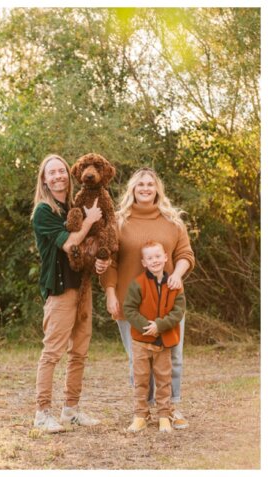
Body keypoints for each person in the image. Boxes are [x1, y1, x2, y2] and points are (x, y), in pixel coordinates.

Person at [100, 167, 195, 429]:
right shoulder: (118, 221)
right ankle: (145, 410)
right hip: (131, 305)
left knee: (172, 355)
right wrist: (110, 293)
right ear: (132, 189)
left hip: (168, 302)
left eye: (150, 184)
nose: (145, 188)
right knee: (139, 359)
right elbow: (110, 262)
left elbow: (186, 255)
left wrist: (176, 273)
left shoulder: (172, 221)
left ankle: (171, 407)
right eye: (140, 184)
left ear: (157, 189)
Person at [30, 154, 105, 434]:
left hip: (82, 286)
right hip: (60, 290)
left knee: (79, 352)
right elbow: (71, 244)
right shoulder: (44, 212)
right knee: (52, 352)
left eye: (62, 171)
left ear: (67, 175)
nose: (59, 176)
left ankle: (70, 410)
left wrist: (101, 259)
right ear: (45, 179)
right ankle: (42, 413)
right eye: (52, 172)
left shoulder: (73, 207)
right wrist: (89, 221)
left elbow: (90, 245)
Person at [122, 241, 186, 433]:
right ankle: (140, 415)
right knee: (141, 379)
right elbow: (129, 309)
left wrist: (159, 325)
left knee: (163, 379)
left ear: (166, 257)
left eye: (158, 256)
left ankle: (164, 416)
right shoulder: (138, 284)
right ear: (144, 262)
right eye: (150, 258)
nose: (155, 260)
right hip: (141, 341)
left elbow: (178, 311)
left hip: (164, 341)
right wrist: (146, 326)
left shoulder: (175, 284)